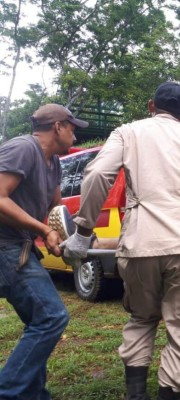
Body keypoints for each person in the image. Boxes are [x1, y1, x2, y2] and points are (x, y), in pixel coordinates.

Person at [60, 82, 180, 400]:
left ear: (152, 106)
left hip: (140, 244)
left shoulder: (129, 132)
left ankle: (135, 394)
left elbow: (97, 176)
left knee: (142, 317)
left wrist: (83, 233)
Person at [0, 104, 88, 399]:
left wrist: (66, 239)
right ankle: (9, 392)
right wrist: (43, 230)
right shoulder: (23, 148)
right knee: (51, 317)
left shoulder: (54, 163)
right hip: (5, 246)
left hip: (19, 245)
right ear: (58, 126)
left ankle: (32, 394)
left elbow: (56, 211)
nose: (75, 133)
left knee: (39, 320)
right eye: (73, 127)